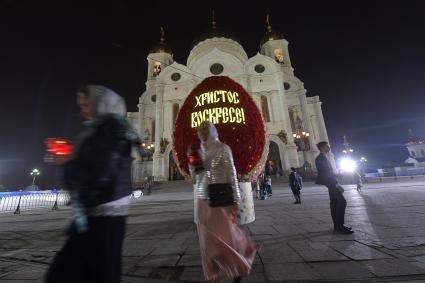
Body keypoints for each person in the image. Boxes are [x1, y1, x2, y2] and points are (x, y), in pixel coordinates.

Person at [45, 85, 141, 283]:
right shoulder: (107, 128)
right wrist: (70, 159)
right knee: (94, 272)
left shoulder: (109, 129)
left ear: (100, 104)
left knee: (81, 273)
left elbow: (99, 176)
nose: (83, 110)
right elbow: (98, 165)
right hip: (98, 214)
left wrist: (66, 164)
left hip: (102, 215)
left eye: (86, 104)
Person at [189, 121, 259, 283]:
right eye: (200, 131)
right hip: (201, 200)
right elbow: (195, 179)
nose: (202, 133)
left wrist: (236, 198)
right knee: (205, 241)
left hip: (219, 199)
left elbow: (231, 174)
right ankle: (211, 274)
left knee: (223, 238)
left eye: (205, 130)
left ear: (212, 131)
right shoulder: (197, 151)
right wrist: (192, 164)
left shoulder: (223, 148)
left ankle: (237, 267)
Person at [315, 141, 353, 234]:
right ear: (323, 147)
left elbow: (328, 172)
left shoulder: (323, 157)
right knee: (342, 201)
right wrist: (336, 183)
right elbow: (325, 173)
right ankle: (339, 226)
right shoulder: (320, 158)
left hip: (330, 182)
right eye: (328, 146)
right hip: (331, 183)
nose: (329, 148)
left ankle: (337, 225)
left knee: (334, 203)